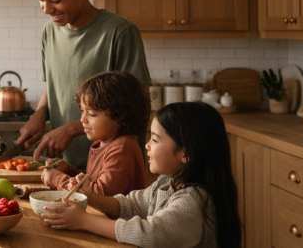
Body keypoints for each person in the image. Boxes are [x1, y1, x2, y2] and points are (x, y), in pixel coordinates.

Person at [16, 0, 151, 171]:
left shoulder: (120, 32)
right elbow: (56, 85)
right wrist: (40, 114)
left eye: (55, 0)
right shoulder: (49, 32)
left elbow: (137, 109)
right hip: (64, 166)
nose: (46, 10)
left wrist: (71, 129)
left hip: (112, 166)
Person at [41, 101, 242, 248]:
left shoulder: (193, 202)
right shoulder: (167, 182)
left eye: (154, 140)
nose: (146, 145)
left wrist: (84, 221)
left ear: (186, 153)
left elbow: (151, 233)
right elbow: (133, 205)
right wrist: (92, 198)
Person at [41, 71, 149, 196]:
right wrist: (69, 171)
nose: (82, 119)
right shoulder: (103, 143)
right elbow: (92, 181)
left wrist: (58, 179)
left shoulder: (121, 149)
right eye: (82, 111)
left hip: (112, 217)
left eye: (91, 114)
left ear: (119, 117)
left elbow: (98, 194)